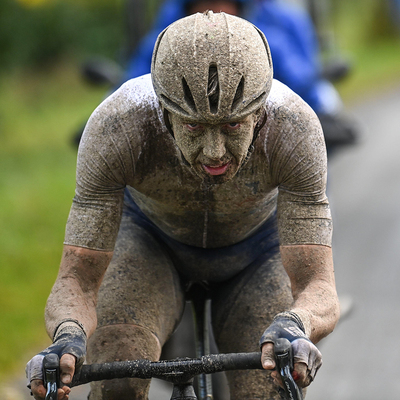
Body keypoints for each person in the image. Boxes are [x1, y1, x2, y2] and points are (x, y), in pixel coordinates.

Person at [26, 11, 339, 399]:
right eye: (191, 127)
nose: (213, 153)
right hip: (149, 246)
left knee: (271, 385)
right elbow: (77, 280)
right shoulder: (117, 126)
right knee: (117, 381)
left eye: (232, 126)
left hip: (255, 257)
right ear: (161, 108)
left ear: (260, 111)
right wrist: (68, 336)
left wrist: (297, 323)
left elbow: (318, 285)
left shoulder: (294, 129)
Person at [121, 0, 357, 153]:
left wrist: (318, 117)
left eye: (222, 5)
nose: (213, 14)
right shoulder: (163, 41)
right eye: (203, 6)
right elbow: (135, 82)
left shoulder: (271, 38)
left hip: (266, 139)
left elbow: (301, 81)